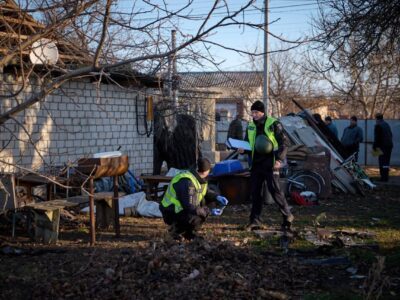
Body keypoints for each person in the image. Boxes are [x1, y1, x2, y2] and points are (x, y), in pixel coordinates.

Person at [238, 100, 293, 231]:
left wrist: (279, 160)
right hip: (256, 164)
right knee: (255, 192)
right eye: (252, 112)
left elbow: (284, 143)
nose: (254, 115)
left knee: (275, 190)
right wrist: (243, 149)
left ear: (262, 112)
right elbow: (249, 144)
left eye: (256, 112)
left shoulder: (274, 124)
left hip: (271, 163)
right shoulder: (250, 126)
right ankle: (255, 221)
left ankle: (287, 216)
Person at [159, 157, 228, 240]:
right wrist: (208, 211)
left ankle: (188, 232)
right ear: (206, 171)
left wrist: (217, 197)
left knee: (204, 207)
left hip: (178, 209)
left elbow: (205, 191)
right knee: (197, 215)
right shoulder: (187, 182)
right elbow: (190, 207)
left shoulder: (198, 177)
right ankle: (176, 231)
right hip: (171, 211)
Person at [373, 113, 393, 182]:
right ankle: (386, 177)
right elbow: (390, 135)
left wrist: (374, 147)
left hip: (382, 146)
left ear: (377, 119)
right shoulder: (386, 124)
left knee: (382, 162)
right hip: (389, 146)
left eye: (375, 119)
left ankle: (383, 178)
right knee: (386, 162)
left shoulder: (378, 126)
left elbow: (377, 138)